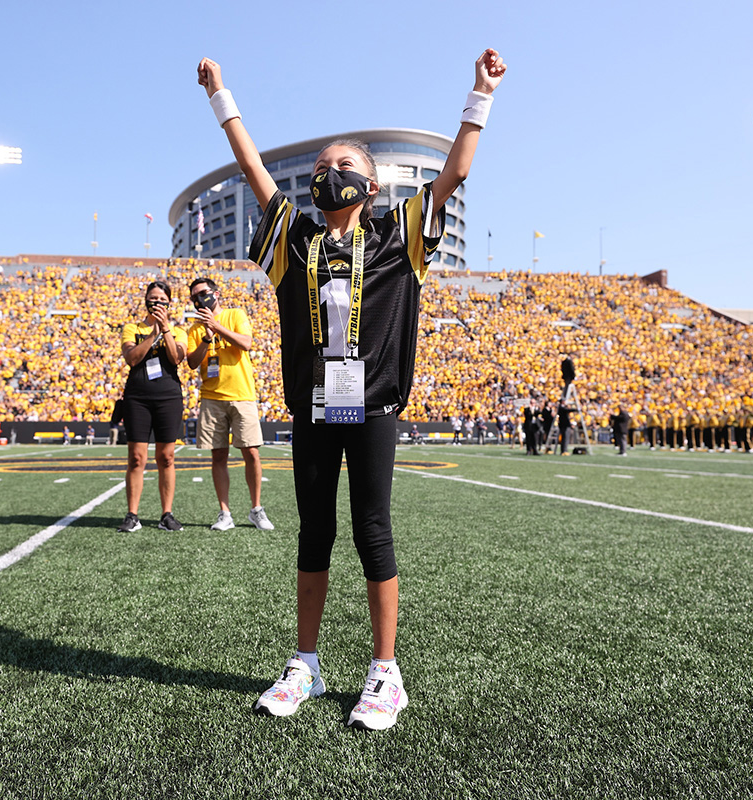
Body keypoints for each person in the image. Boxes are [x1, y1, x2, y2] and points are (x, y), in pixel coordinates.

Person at [198, 47, 506, 731]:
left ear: (371, 185)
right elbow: (253, 171)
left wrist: (479, 95)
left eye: (344, 166)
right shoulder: (294, 238)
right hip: (313, 406)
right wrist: (224, 101)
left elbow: (454, 172)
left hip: (373, 407)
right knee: (314, 532)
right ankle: (304, 662)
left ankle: (384, 674)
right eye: (320, 168)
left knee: (373, 531)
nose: (328, 173)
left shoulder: (400, 233)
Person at [185, 276, 275, 531]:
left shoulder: (235, 314)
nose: (199, 300)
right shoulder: (194, 329)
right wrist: (206, 337)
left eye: (202, 293)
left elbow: (246, 343)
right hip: (212, 398)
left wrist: (216, 326)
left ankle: (256, 509)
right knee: (218, 456)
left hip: (242, 393)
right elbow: (192, 363)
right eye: (194, 297)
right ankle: (225, 512)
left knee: (252, 452)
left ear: (215, 293)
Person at [117, 280, 188, 532]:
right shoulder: (131, 328)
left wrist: (165, 329)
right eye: (153, 299)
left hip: (168, 396)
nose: (157, 303)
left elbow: (177, 358)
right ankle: (132, 514)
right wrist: (153, 335)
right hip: (137, 396)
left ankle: (166, 514)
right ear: (146, 300)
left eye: (162, 300)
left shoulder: (179, 331)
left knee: (166, 457)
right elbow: (132, 359)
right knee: (136, 458)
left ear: (169, 303)